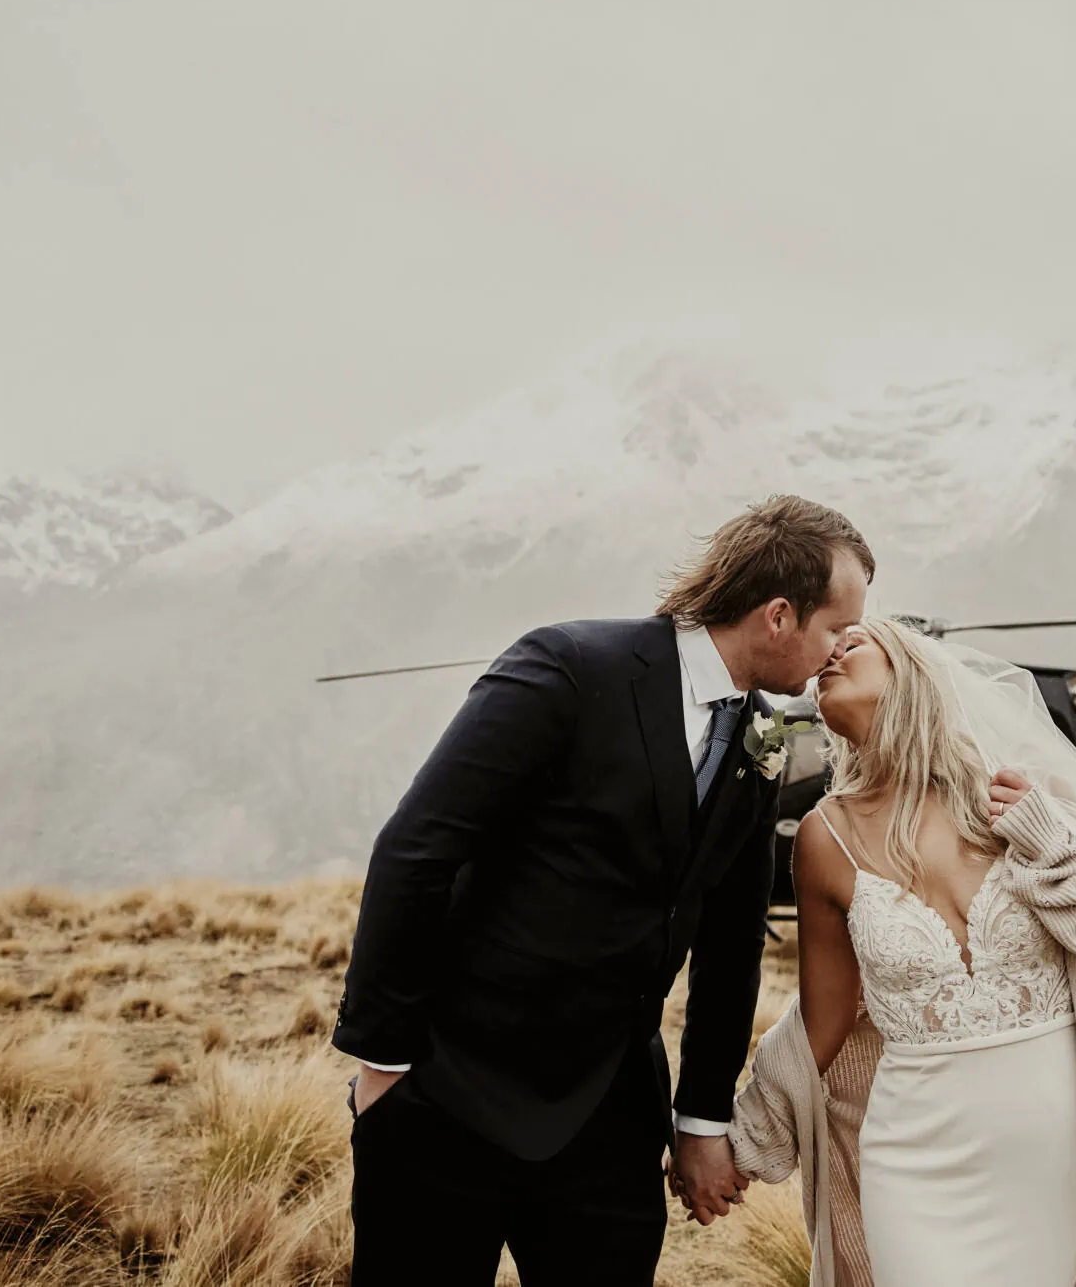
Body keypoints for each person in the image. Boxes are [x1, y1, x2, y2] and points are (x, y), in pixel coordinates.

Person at [332, 494, 873, 1285]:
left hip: (610, 1124)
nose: (841, 649)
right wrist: (382, 1061)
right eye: (836, 628)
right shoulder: (568, 667)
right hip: (449, 1097)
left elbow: (730, 946)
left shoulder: (760, 740)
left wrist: (699, 1118)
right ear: (779, 615)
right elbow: (418, 847)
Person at [709, 617, 1076, 1287]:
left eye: (853, 645)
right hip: (914, 1158)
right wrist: (734, 1141)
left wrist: (1053, 850)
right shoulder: (822, 837)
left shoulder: (1017, 793)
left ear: (912, 673)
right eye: (823, 659)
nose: (828, 661)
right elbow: (822, 1024)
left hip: (1055, 1157)